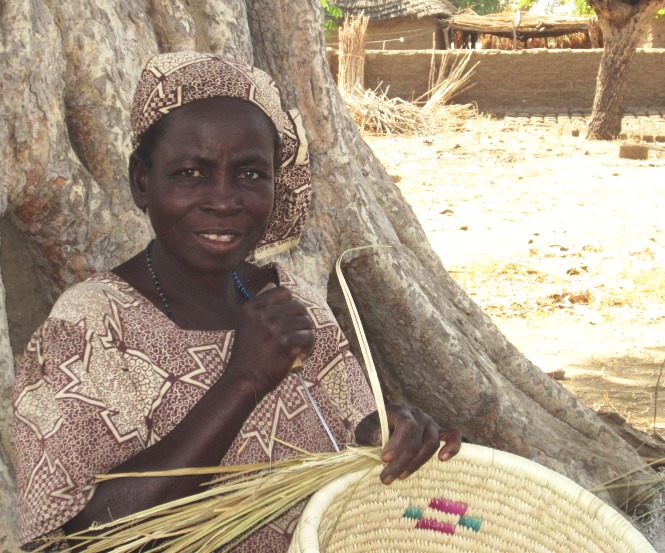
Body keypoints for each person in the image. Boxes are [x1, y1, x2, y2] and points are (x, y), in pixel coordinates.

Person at [13, 51, 461, 552]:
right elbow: (82, 535)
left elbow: (349, 443)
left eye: (249, 175)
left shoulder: (295, 303)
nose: (223, 200)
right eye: (190, 173)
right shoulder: (90, 326)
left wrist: (389, 432)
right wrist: (244, 378)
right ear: (143, 181)